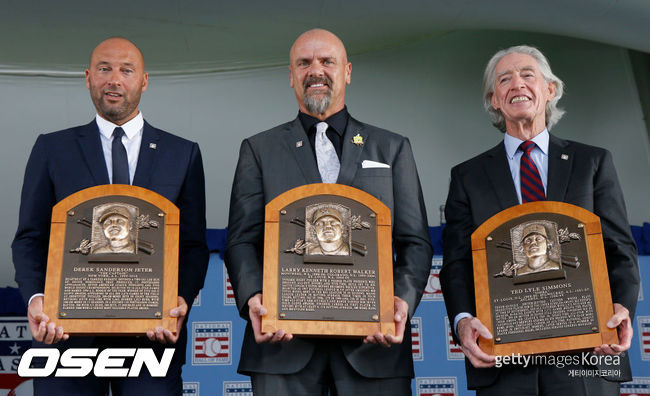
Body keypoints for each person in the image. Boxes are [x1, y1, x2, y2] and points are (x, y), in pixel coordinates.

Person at [225, 28, 432, 395]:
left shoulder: (392, 148)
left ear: (347, 71)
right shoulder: (259, 149)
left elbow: (414, 242)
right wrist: (254, 298)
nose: (315, 70)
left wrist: (400, 300)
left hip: (373, 346)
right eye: (304, 63)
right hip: (282, 347)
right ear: (291, 76)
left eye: (327, 61)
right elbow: (242, 239)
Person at [12, 37, 209, 395]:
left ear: (144, 80)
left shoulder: (182, 154)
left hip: (151, 338)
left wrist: (179, 298)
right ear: (88, 77)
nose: (114, 79)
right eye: (104, 69)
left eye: (126, 70)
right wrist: (36, 297)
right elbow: (30, 238)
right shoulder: (52, 149)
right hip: (67, 337)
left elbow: (193, 246)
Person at [440, 45, 639, 395]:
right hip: (506, 361)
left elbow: (620, 250)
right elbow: (457, 264)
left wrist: (621, 308)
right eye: (505, 79)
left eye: (527, 75)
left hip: (588, 354)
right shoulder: (467, 176)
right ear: (495, 100)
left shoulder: (592, 163)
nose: (517, 83)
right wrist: (462, 322)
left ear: (550, 90)